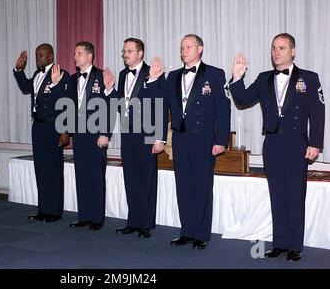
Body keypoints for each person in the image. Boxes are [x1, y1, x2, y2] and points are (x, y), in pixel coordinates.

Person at [229, 33, 325, 262]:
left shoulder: (309, 78)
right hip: (272, 143)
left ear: (293, 51)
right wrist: (236, 78)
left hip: (296, 144)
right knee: (277, 195)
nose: (276, 52)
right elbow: (242, 101)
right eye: (273, 48)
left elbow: (318, 113)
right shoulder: (263, 78)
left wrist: (315, 143)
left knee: (295, 195)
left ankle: (294, 246)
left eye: (282, 48)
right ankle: (279, 243)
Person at [149, 34, 231, 249]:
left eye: (188, 46)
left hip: (203, 138)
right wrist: (154, 80)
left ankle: (202, 234)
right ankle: (187, 231)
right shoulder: (173, 76)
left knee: (202, 186)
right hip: (179, 138)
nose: (184, 50)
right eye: (182, 47)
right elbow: (159, 106)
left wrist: (221, 140)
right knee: (183, 186)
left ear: (200, 49)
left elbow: (223, 109)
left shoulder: (215, 74)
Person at [103, 38, 166, 238]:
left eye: (129, 50)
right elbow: (121, 103)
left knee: (147, 178)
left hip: (147, 133)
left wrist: (159, 138)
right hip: (127, 133)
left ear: (140, 53)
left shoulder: (154, 73)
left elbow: (160, 106)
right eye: (124, 51)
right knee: (130, 178)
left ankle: (146, 224)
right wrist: (110, 89)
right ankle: (133, 221)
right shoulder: (122, 75)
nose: (125, 54)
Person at [13, 43, 70, 223]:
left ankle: (54, 211)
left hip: (54, 126)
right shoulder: (37, 75)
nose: (38, 59)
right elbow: (25, 87)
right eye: (37, 55)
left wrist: (64, 130)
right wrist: (19, 70)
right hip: (38, 126)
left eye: (42, 55)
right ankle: (43, 210)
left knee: (53, 169)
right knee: (41, 168)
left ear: (51, 57)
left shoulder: (61, 74)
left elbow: (66, 102)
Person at [66, 41, 111, 231]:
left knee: (96, 176)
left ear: (89, 56)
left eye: (78, 53)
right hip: (79, 133)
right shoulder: (72, 79)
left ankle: (97, 218)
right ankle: (84, 215)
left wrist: (105, 133)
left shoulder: (102, 76)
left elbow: (111, 106)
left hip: (96, 134)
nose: (75, 56)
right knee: (81, 175)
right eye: (75, 53)